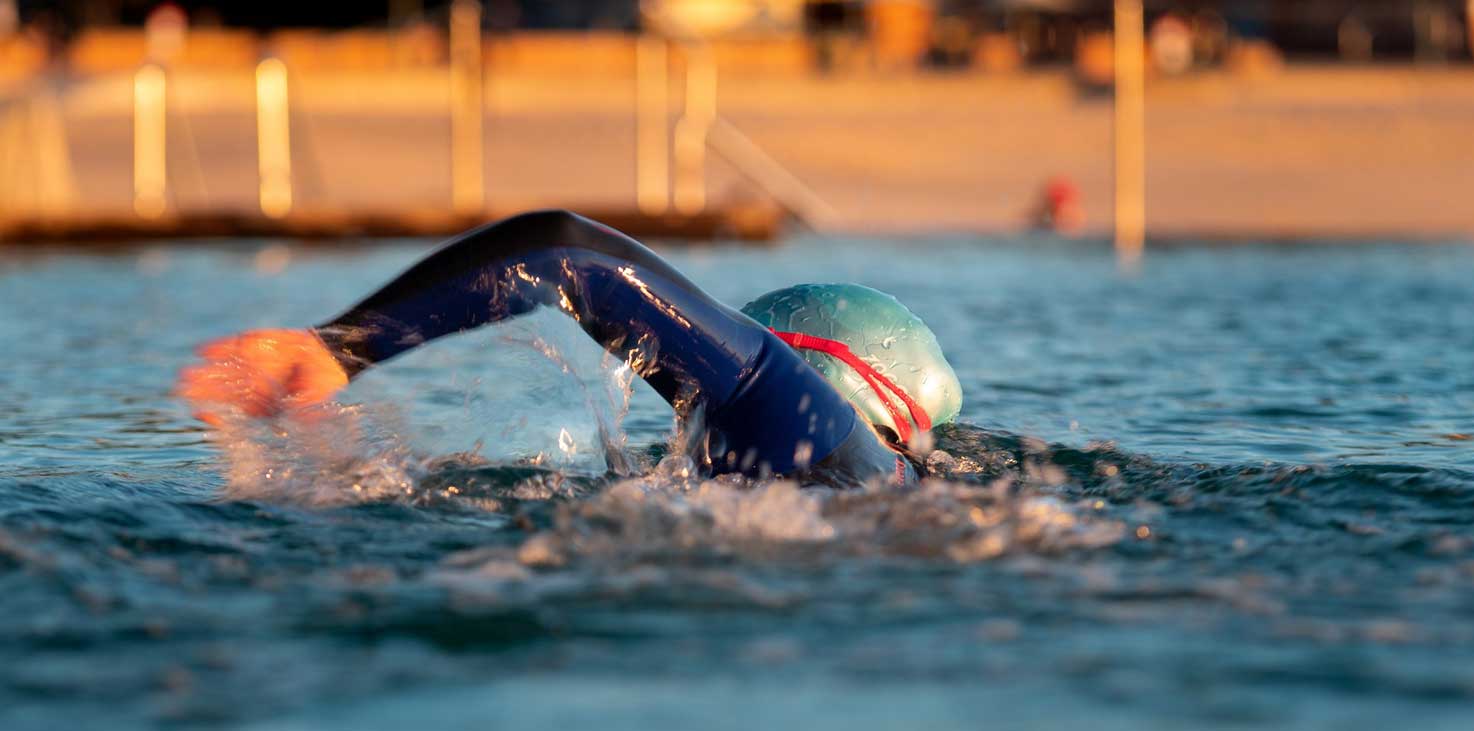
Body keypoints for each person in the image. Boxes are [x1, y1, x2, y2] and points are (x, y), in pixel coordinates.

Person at [177, 210, 961, 488]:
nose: (684, 415)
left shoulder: (808, 424)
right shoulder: (887, 488)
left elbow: (568, 252)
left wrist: (342, 348)